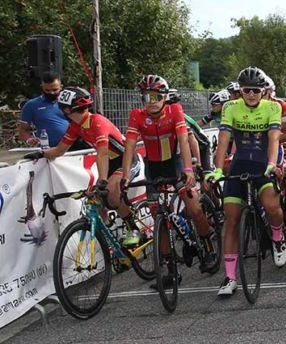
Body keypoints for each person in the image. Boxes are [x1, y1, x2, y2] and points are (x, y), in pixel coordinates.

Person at [206, 67, 286, 297]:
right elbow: (223, 141)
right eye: (246, 90)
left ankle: (278, 235)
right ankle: (230, 277)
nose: (251, 94)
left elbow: (273, 139)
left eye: (256, 90)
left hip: (262, 163)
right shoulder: (231, 107)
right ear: (240, 91)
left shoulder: (273, 107)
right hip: (240, 163)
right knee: (230, 220)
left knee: (272, 206)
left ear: (263, 91)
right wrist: (219, 170)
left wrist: (272, 164)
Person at [122, 75, 217, 274]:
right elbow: (129, 145)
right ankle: (168, 266)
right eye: (147, 97)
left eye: (156, 97)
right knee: (158, 215)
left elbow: (183, 140)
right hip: (153, 166)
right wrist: (125, 176)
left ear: (164, 97)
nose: (152, 102)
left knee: (194, 208)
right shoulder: (137, 115)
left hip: (175, 164)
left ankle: (207, 245)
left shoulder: (175, 111)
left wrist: (189, 169)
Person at [30, 87, 139, 243]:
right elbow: (60, 150)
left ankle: (133, 229)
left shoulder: (97, 121)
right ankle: (112, 237)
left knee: (111, 193)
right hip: (110, 162)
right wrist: (41, 153)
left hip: (126, 160)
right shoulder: (76, 126)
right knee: (96, 202)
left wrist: (102, 181)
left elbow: (101, 154)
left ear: (66, 109)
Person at [18, 73, 70, 149]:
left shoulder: (70, 102)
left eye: (55, 90)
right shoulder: (31, 105)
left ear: (61, 87)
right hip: (47, 149)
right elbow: (23, 130)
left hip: (73, 148)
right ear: (42, 87)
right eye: (47, 90)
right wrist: (29, 140)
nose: (51, 93)